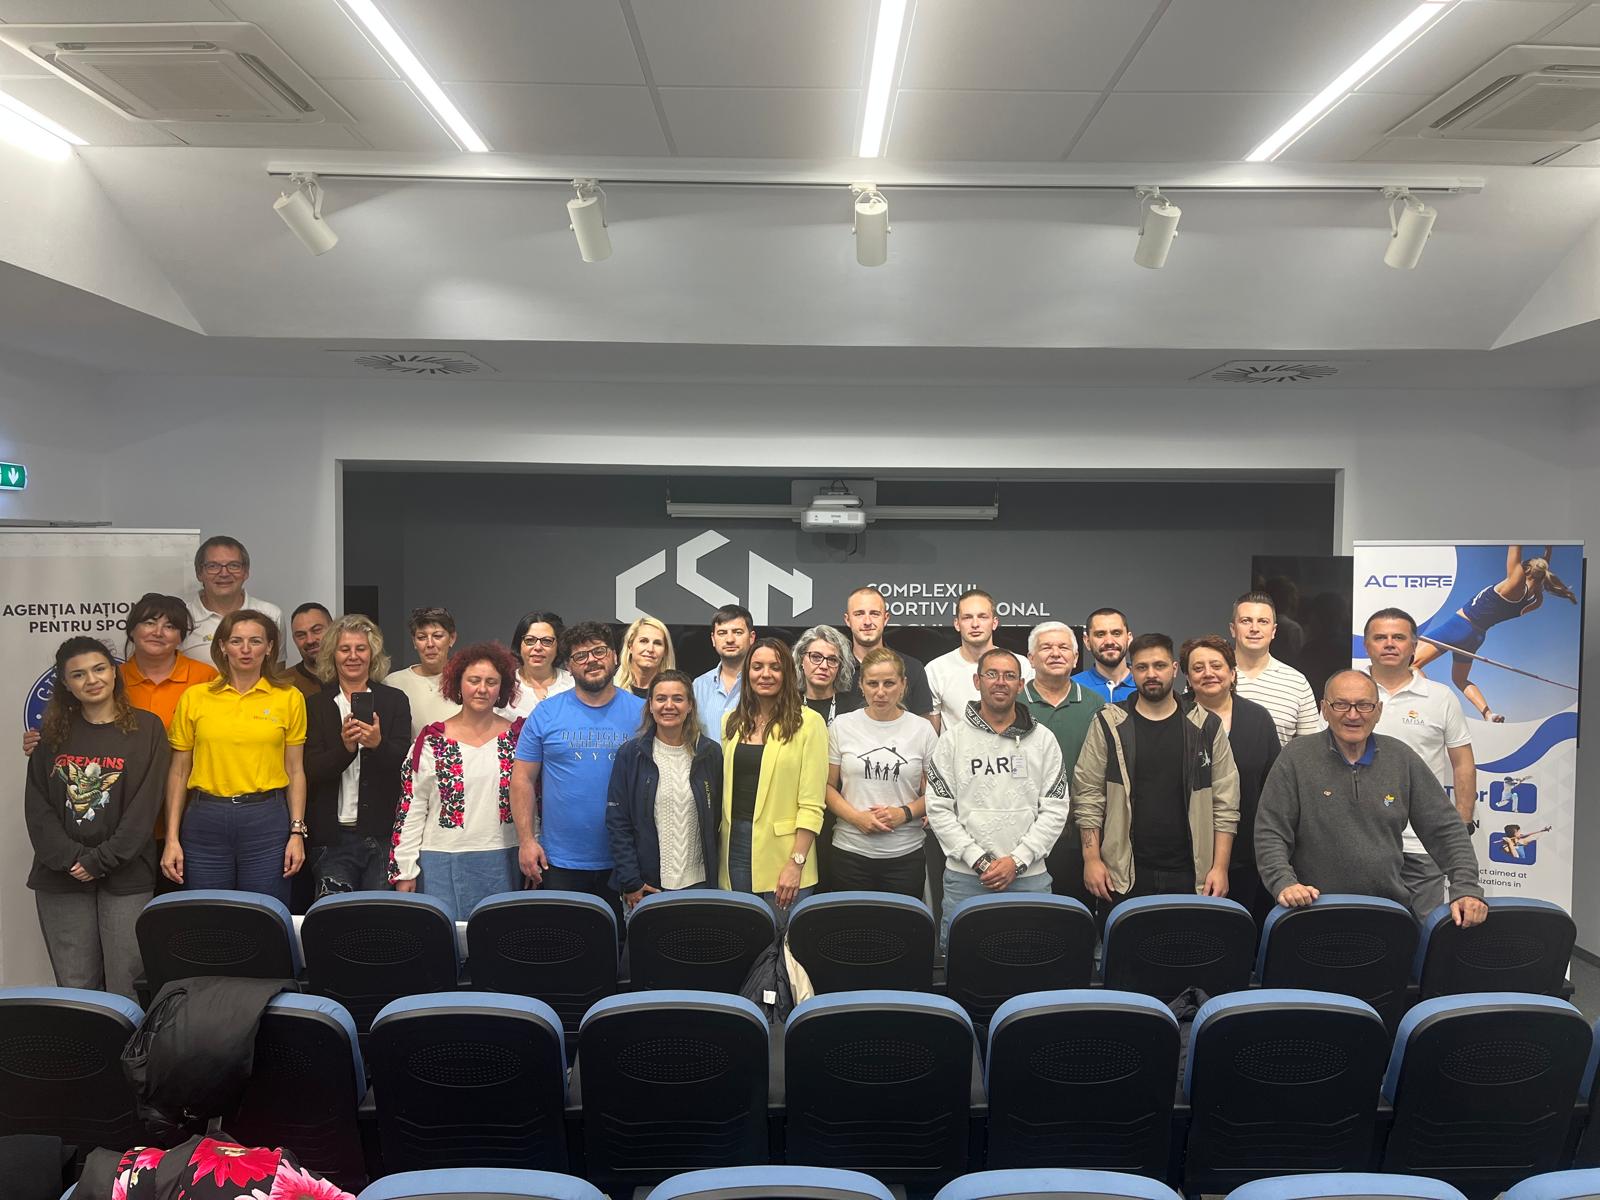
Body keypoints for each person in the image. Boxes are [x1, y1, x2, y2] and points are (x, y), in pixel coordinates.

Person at [1254, 670, 1487, 926]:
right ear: (1324, 709)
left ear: (1378, 711)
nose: (1353, 715)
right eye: (1341, 704)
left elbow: (1445, 829)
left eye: (1364, 705)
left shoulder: (1401, 758)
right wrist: (1284, 883)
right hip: (1310, 910)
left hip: (1385, 913)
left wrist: (1466, 888)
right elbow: (1271, 831)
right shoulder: (1296, 757)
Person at [25, 637, 168, 999]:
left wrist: (100, 860)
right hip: (61, 875)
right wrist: (74, 859)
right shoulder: (51, 735)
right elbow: (38, 808)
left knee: (127, 986)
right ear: (65, 683)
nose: (92, 680)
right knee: (76, 986)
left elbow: (146, 806)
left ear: (115, 672)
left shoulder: (148, 729)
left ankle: (126, 1042)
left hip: (126, 873)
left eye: (99, 668)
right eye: (78, 674)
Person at [1073, 633, 1240, 910]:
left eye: (1159, 666)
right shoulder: (1109, 723)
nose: (1151, 674)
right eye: (1142, 667)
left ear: (1174, 669)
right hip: (1123, 874)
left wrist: (1220, 867)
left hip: (1192, 873)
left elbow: (1226, 803)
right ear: (1132, 671)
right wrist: (1091, 860)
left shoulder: (1206, 726)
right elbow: (1088, 795)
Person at [926, 647, 1068, 949]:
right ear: (977, 681)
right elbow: (938, 808)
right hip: (966, 880)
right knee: (963, 962)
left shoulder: (1044, 739)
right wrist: (979, 861)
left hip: (1030, 878)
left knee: (1031, 959)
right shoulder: (952, 740)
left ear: (1021, 685)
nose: (1000, 682)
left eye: (1009, 676)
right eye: (992, 674)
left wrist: (1018, 861)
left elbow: (1056, 808)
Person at [162, 610, 307, 904]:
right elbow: (178, 772)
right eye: (236, 641)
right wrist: (171, 838)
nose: (245, 649)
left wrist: (297, 832)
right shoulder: (195, 697)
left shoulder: (289, 697)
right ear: (222, 646)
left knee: (265, 914)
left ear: (269, 647)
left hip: (266, 819)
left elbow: (295, 770)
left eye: (255, 641)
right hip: (205, 819)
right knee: (208, 915)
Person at [511, 622, 645, 919]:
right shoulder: (546, 713)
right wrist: (527, 841)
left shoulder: (643, 713)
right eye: (580, 656)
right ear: (569, 667)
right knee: (565, 941)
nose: (591, 660)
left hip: (626, 861)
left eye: (599, 651)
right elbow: (522, 779)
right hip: (560, 861)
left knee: (622, 944)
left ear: (614, 656)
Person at [390, 642, 524, 920]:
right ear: (458, 684)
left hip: (504, 857)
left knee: (499, 935)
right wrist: (405, 870)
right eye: (474, 680)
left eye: (491, 682)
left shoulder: (519, 739)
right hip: (440, 861)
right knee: (444, 938)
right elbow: (411, 807)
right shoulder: (431, 741)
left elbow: (531, 802)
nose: (482, 689)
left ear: (502, 688)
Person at [1365, 607, 1478, 922]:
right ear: (1367, 645)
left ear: (1414, 645)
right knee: (1364, 931)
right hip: (1360, 844)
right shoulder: (1346, 693)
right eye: (1380, 637)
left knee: (1424, 932)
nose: (1390, 643)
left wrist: (1462, 823)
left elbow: (1463, 763)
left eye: (1399, 637)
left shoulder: (1440, 697)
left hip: (1422, 844)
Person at [720, 637, 827, 928]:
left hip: (785, 853)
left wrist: (796, 863)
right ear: (747, 673)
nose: (765, 674)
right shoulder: (731, 722)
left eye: (775, 667)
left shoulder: (809, 723)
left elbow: (812, 803)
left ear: (787, 673)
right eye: (757, 667)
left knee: (780, 940)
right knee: (742, 936)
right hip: (734, 847)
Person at [303, 614, 412, 897]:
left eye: (361, 648)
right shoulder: (315, 705)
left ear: (372, 654)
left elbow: (406, 766)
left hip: (383, 836)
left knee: (378, 916)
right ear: (333, 654)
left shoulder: (395, 700)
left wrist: (377, 744)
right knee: (333, 916)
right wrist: (346, 749)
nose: (353, 656)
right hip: (331, 840)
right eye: (345, 649)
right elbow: (311, 769)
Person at [1413, 545, 1579, 722]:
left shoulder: (1515, 581)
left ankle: (1430, 704)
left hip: (1459, 625)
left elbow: (1515, 544)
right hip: (1476, 637)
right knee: (1460, 680)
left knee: (1411, 666)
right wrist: (1548, 553)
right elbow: (1539, 579)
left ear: (1525, 569)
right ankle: (1488, 714)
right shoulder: (1536, 601)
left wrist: (1539, 545)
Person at [605, 669, 722, 912]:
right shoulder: (631, 755)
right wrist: (631, 881)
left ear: (690, 705)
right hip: (648, 886)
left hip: (700, 883)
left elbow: (718, 818)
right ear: (650, 705)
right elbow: (618, 822)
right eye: (661, 699)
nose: (669, 706)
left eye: (678, 699)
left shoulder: (709, 753)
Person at [1181, 634, 1279, 921]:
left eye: (1216, 666)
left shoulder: (1258, 718)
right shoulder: (1173, 716)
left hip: (1247, 855)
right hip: (1183, 857)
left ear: (1232, 672)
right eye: (1198, 668)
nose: (1208, 673)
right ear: (1187, 677)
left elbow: (1274, 787)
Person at [825, 647, 936, 898]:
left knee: (901, 922)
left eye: (889, 683)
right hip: (850, 851)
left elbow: (937, 793)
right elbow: (827, 787)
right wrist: (856, 818)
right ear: (861, 685)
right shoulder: (842, 726)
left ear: (903, 684)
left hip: (905, 854)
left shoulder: (923, 730)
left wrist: (904, 813)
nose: (881, 692)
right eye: (872, 683)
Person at [1020, 621, 1105, 907]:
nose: (1055, 653)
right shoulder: (1014, 705)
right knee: (1029, 914)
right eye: (1046, 647)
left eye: (1063, 647)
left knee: (1074, 913)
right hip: (1024, 833)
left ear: (1076, 657)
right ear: (1031, 658)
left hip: (1080, 832)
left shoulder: (1096, 705)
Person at [927, 589, 1032, 732]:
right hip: (957, 746)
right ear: (957, 624)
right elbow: (932, 736)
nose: (975, 624)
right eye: (967, 617)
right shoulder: (936, 669)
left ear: (994, 622)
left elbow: (1030, 718)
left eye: (983, 617)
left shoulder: (1021, 665)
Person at [1232, 591, 1322, 747]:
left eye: (1263, 621)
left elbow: (1311, 750)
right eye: (1246, 621)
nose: (1254, 628)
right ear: (1233, 629)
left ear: (1273, 631)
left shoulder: (1297, 683)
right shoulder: (1212, 678)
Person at [180, 536, 283, 664]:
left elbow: (276, 671)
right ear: (199, 573)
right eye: (213, 566)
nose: (224, 573)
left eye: (234, 565)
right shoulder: (182, 618)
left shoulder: (271, 614)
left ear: (246, 572)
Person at [835, 586, 934, 716]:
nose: (867, 622)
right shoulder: (833, 668)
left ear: (886, 618)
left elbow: (923, 723)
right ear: (847, 620)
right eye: (859, 614)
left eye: (874, 614)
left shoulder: (912, 668)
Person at [385, 606, 462, 737]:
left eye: (437, 636)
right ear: (414, 642)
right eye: (422, 637)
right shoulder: (393, 683)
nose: (430, 644)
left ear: (452, 638)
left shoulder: (467, 681)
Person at [693, 604, 755, 744]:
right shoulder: (698, 686)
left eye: (737, 632)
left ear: (751, 637)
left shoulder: (763, 683)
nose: (730, 639)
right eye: (722, 633)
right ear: (713, 639)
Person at [499, 610, 573, 719]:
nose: (538, 647)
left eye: (547, 641)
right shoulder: (503, 685)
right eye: (530, 640)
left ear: (559, 646)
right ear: (519, 645)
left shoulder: (574, 684)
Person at [792, 624, 859, 724]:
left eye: (832, 660)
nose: (824, 666)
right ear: (801, 660)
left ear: (840, 666)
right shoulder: (788, 707)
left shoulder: (854, 710)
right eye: (816, 657)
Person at [1072, 608, 1136, 703]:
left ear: (1129, 638)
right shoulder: (1072, 687)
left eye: (1116, 633)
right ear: (1087, 641)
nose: (1109, 641)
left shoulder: (1146, 685)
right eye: (1100, 634)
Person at [615, 615, 675, 699]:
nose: (650, 649)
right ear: (630, 646)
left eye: (657, 643)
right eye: (643, 641)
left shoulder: (675, 693)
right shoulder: (610, 690)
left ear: (665, 651)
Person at [286, 603, 331, 697]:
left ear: (334, 629)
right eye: (301, 635)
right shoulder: (284, 682)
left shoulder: (353, 674)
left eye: (317, 630)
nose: (310, 640)